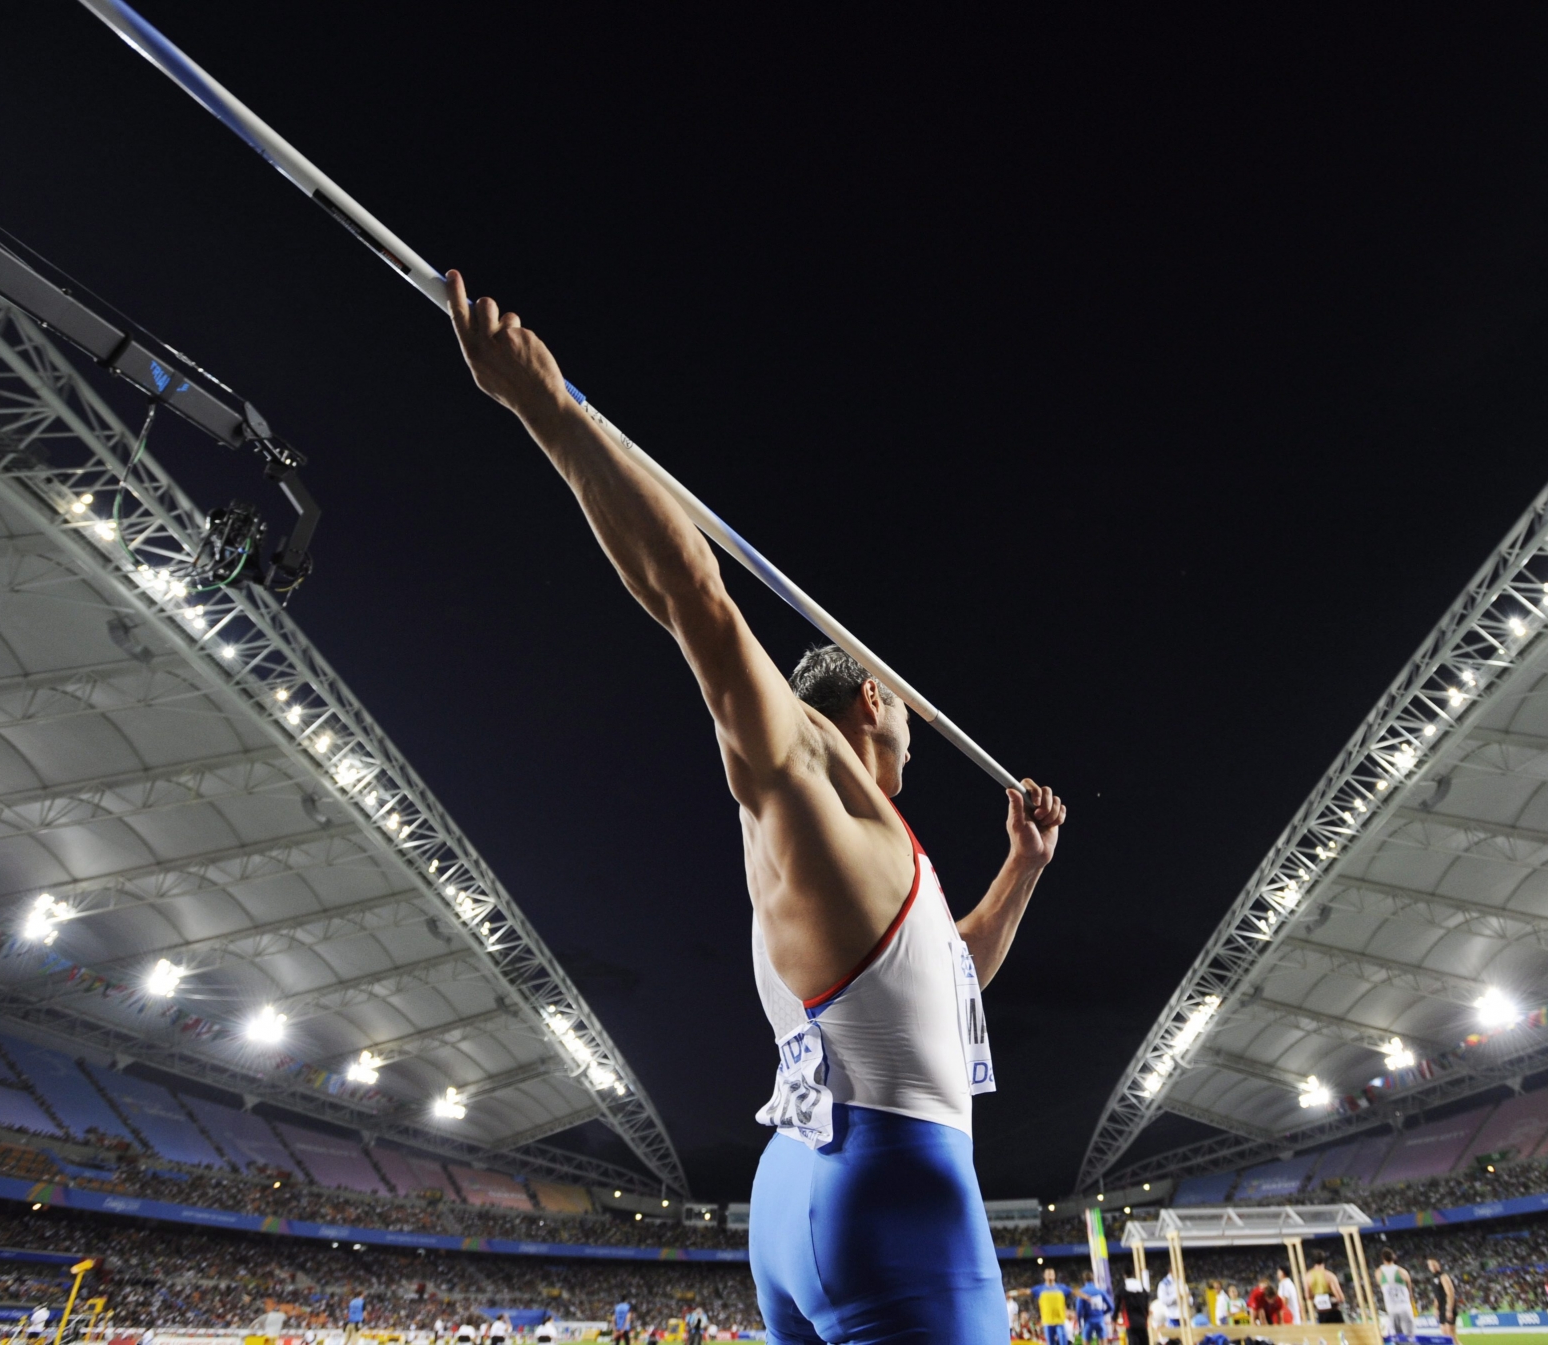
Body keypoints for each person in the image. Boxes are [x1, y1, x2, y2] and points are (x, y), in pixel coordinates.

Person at [447, 271, 1067, 1345]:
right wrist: (551, 413)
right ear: (874, 696)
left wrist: (1023, 866)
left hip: (802, 1197)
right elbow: (693, 595)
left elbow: (942, 978)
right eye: (904, 705)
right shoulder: (815, 781)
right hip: (895, 1194)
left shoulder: (870, 854)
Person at [1377, 1248, 1415, 1340]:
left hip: (1391, 1308)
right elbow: (1410, 1291)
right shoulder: (1402, 1272)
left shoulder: (1379, 1272)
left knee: (1397, 1337)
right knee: (1410, 1336)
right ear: (1393, 1257)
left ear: (1383, 1258)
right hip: (1405, 1307)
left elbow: (1381, 1287)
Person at [1033, 1268, 1075, 1345]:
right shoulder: (1041, 1289)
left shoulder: (1067, 1323)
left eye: (1051, 1274)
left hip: (1060, 1323)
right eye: (1048, 1274)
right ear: (1044, 1276)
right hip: (1049, 1322)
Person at [1305, 1253, 1346, 1325]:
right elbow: (1340, 1298)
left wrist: (1318, 1297)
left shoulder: (1308, 1277)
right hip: (1333, 1312)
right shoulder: (1329, 1276)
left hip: (1321, 1312)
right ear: (1324, 1261)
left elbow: (1308, 1296)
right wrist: (1328, 1299)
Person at [1426, 1258, 1456, 1340]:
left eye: (1433, 1264)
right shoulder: (1433, 1279)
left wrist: (1449, 1309)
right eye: (1430, 1265)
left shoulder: (1443, 1276)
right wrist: (1436, 1308)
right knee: (1445, 1335)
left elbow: (1450, 1293)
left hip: (1447, 1307)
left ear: (1438, 1265)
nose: (1432, 1267)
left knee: (1451, 1337)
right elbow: (1437, 1296)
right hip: (1441, 1308)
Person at [1078, 1277, 1114, 1342]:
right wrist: (1103, 1313)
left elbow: (1079, 1310)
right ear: (1093, 1280)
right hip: (1100, 1320)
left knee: (1086, 1341)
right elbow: (1111, 1306)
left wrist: (1080, 1324)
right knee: (1103, 1341)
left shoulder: (1082, 1292)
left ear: (1084, 1281)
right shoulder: (1100, 1291)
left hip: (1088, 1321)